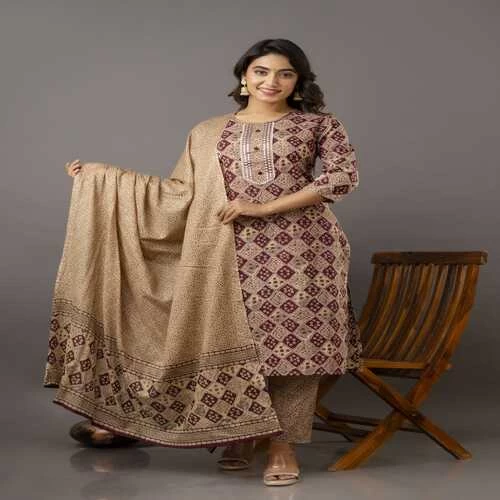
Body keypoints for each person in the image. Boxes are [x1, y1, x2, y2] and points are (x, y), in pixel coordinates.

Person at [55, 38, 362, 487]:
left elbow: (341, 178)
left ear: (298, 81)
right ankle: (243, 431)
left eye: (285, 73)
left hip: (305, 251)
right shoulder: (207, 132)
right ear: (244, 76)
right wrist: (105, 179)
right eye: (261, 71)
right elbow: (180, 193)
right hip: (225, 252)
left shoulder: (319, 125)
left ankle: (283, 445)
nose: (272, 82)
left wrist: (264, 208)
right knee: (240, 341)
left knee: (295, 350)